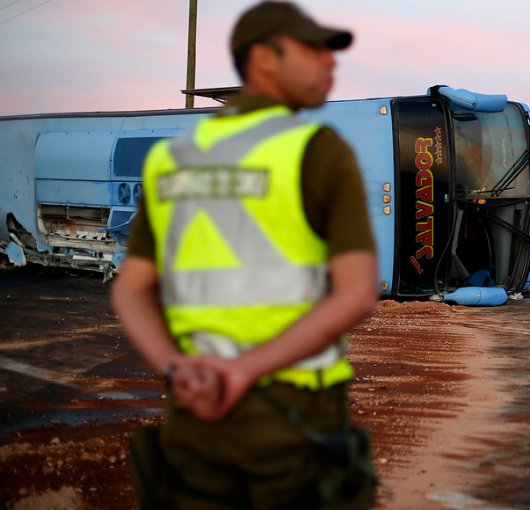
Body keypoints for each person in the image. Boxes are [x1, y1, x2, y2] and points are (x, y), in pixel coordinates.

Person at [111, 1, 378, 508]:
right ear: (264, 59)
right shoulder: (316, 149)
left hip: (194, 418)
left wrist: (175, 368)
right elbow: (358, 294)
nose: (330, 64)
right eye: (313, 50)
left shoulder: (173, 157)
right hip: (295, 418)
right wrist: (243, 371)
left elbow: (130, 290)